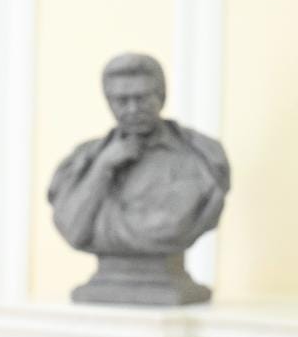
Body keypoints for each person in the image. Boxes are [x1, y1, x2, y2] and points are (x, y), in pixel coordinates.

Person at [48, 52, 230, 258]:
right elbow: (75, 232)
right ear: (109, 102)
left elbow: (174, 226)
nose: (133, 109)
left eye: (142, 99)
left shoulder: (203, 157)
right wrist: (102, 168)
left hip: (164, 274)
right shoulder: (83, 160)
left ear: (161, 97)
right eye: (122, 101)